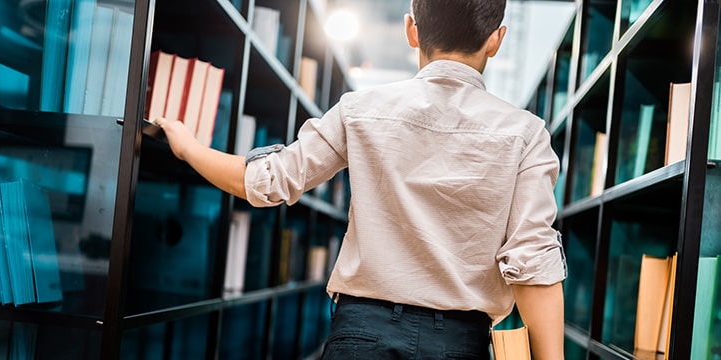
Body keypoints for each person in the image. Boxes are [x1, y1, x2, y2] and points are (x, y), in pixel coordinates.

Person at [153, 0, 566, 358]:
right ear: (496, 39)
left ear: (411, 30)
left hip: (361, 335)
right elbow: (533, 265)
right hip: (461, 344)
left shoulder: (360, 109)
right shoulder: (525, 135)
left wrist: (189, 147)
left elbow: (268, 181)